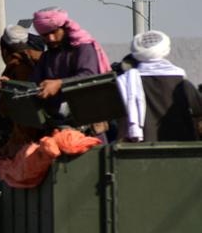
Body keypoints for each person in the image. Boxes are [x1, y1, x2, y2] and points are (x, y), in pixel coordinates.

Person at [30, 7, 112, 140]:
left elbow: (89, 76)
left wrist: (59, 84)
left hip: (86, 130)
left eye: (54, 32)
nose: (50, 38)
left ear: (64, 28)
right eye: (45, 35)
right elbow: (33, 84)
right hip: (58, 130)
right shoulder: (46, 57)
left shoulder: (83, 48)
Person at [117, 30, 202, 141]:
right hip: (181, 150)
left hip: (139, 150)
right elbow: (198, 113)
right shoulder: (182, 82)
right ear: (165, 50)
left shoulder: (126, 83)